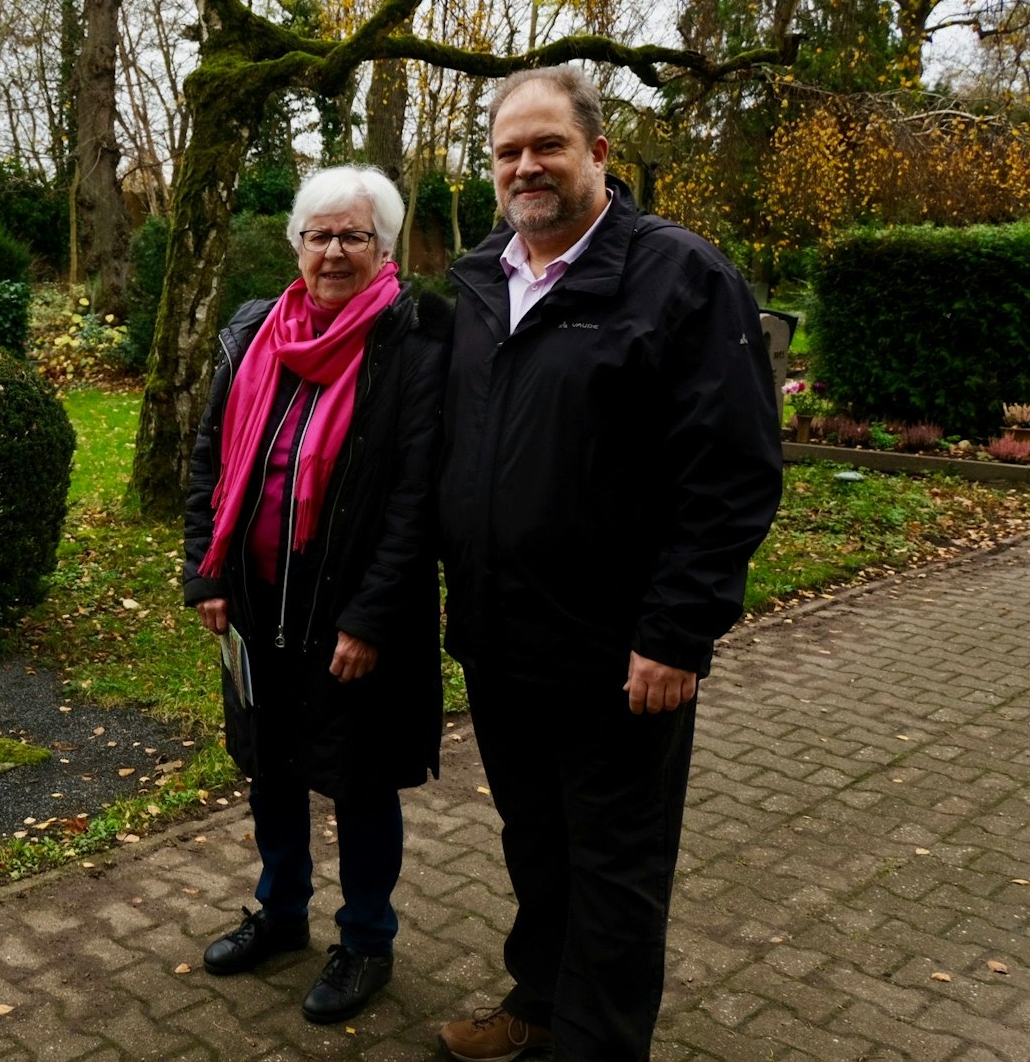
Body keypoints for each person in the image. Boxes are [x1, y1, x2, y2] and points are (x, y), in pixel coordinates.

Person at [434, 66, 782, 1061]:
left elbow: (732, 472)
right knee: (535, 843)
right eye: (507, 151)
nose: (525, 166)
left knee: (615, 868)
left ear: (596, 152)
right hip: (500, 639)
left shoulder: (679, 277)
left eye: (547, 145)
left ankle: (597, 1044)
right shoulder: (481, 280)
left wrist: (675, 631)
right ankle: (539, 1002)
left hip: (618, 652)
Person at [183, 164, 448, 1024]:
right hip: (258, 601)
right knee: (272, 767)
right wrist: (207, 570)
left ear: (384, 247)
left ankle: (366, 938)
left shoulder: (412, 344)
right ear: (296, 243)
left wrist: (371, 617)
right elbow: (211, 458)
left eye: (353, 236)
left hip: (353, 611)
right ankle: (282, 911)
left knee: (360, 780)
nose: (334, 251)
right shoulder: (256, 333)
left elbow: (415, 499)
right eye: (319, 235)